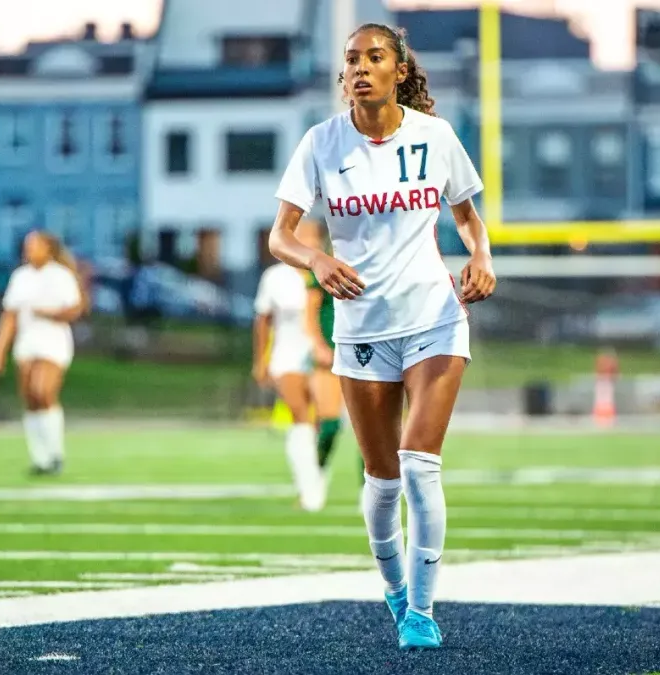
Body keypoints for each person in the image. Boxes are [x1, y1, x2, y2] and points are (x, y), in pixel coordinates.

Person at [267, 23, 495, 651]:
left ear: (399, 71)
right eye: (351, 60)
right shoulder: (320, 143)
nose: (360, 68)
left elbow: (469, 216)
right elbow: (280, 236)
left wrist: (482, 257)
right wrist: (316, 261)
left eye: (374, 58)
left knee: (421, 465)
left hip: (434, 316)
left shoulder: (436, 137)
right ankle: (394, 589)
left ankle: (421, 611)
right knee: (382, 477)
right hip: (362, 327)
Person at [0, 231, 85, 476]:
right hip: (27, 342)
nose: (28, 250)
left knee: (43, 391)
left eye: (34, 246)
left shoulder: (61, 276)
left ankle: (56, 453)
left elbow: (75, 309)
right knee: (30, 397)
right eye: (27, 246)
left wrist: (50, 314)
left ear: (48, 249)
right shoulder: (20, 278)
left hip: (53, 342)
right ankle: (40, 458)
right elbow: (9, 316)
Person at [252, 236, 326, 512]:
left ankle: (318, 479)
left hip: (322, 356)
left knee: (324, 422)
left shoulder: (324, 270)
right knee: (300, 416)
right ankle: (309, 491)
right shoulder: (275, 277)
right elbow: (263, 319)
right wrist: (261, 360)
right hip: (287, 355)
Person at [301, 221, 349, 485]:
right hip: (330, 354)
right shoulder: (325, 265)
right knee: (329, 424)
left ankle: (370, 491)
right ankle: (317, 473)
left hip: (364, 353)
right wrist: (318, 345)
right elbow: (309, 311)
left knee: (374, 431)